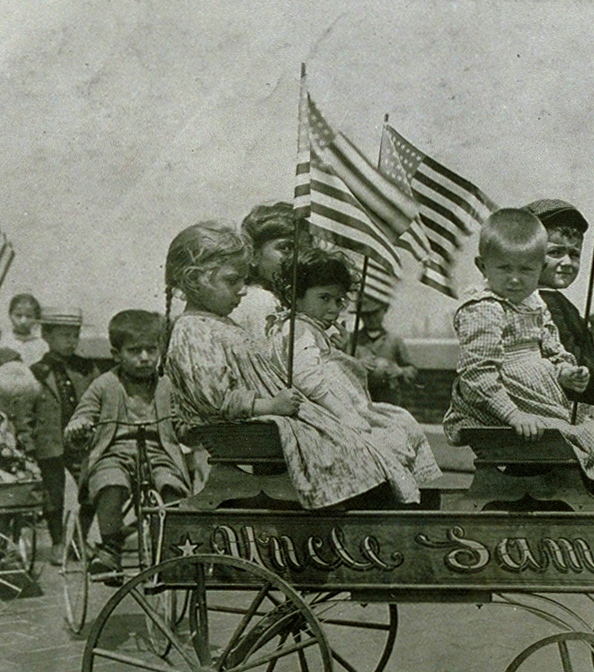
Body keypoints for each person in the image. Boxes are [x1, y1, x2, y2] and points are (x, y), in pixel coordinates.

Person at [163, 221, 428, 510]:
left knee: (368, 434)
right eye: (232, 281)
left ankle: (373, 498)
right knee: (346, 445)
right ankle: (350, 506)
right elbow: (214, 398)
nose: (241, 290)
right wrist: (270, 406)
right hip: (248, 425)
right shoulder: (193, 331)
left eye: (243, 280)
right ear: (193, 280)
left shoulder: (219, 324)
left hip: (267, 418)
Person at [443, 209, 594, 509]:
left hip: (541, 395)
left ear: (537, 268)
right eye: (504, 269)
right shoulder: (485, 308)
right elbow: (479, 375)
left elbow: (552, 348)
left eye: (526, 271)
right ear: (482, 266)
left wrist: (565, 372)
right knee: (587, 439)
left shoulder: (534, 303)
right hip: (504, 399)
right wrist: (514, 415)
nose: (515, 280)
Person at [267, 247, 442, 501]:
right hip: (325, 412)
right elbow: (307, 379)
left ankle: (394, 488)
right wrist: (344, 414)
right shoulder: (299, 330)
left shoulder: (309, 328)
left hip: (340, 408)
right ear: (296, 296)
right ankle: (385, 494)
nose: (333, 308)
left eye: (338, 301)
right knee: (388, 433)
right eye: (324, 298)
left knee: (397, 419)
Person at [64, 311, 192, 582]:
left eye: (151, 349)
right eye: (135, 351)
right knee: (111, 482)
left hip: (159, 452)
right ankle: (110, 547)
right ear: (116, 354)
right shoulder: (104, 385)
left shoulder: (167, 386)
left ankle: (171, 547)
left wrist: (192, 430)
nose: (145, 357)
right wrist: (80, 425)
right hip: (115, 453)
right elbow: (82, 415)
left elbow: (181, 426)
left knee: (172, 486)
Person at [522, 199, 594, 406]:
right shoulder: (542, 302)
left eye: (574, 254)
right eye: (555, 252)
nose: (568, 263)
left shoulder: (554, 299)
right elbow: (569, 353)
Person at [30, 307, 100, 556]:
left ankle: (78, 541)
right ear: (46, 335)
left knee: (91, 488)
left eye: (75, 335)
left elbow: (98, 397)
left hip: (79, 439)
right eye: (64, 335)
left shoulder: (86, 368)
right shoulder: (37, 371)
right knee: (53, 494)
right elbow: (28, 408)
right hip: (49, 439)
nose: (71, 341)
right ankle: (58, 542)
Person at [233, 201, 311, 336]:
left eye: (304, 249)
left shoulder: (281, 300)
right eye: (286, 248)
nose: (298, 258)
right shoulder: (260, 301)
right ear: (253, 255)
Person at [351, 296, 418, 406]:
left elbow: (412, 370)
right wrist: (357, 364)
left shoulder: (394, 341)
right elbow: (339, 368)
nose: (371, 318)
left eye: (375, 313)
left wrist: (399, 371)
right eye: (366, 315)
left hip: (388, 399)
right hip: (360, 400)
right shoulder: (352, 340)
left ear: (384, 312)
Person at [0, 293, 46, 366]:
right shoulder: (2, 340)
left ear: (36, 318)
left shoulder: (41, 345)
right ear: (10, 315)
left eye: (29, 316)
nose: (23, 321)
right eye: (18, 315)